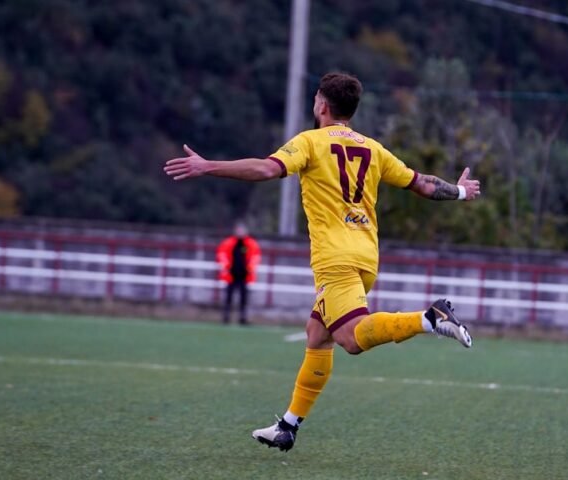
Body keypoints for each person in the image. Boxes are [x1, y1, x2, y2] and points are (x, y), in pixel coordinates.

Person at [164, 72, 481, 452]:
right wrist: (461, 191)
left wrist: (208, 166)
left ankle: (429, 318)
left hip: (336, 260)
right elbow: (423, 184)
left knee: (350, 339)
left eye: (316, 97)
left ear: (322, 105)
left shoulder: (310, 143)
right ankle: (288, 426)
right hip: (366, 255)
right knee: (318, 334)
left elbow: (267, 169)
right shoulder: (373, 148)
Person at [216, 222, 261, 325]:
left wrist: (249, 268)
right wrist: (227, 267)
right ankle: (226, 317)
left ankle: (243, 317)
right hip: (230, 275)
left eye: (242, 230)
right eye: (238, 230)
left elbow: (255, 257)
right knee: (228, 297)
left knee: (244, 298)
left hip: (245, 276)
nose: (240, 232)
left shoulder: (251, 244)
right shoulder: (228, 243)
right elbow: (221, 255)